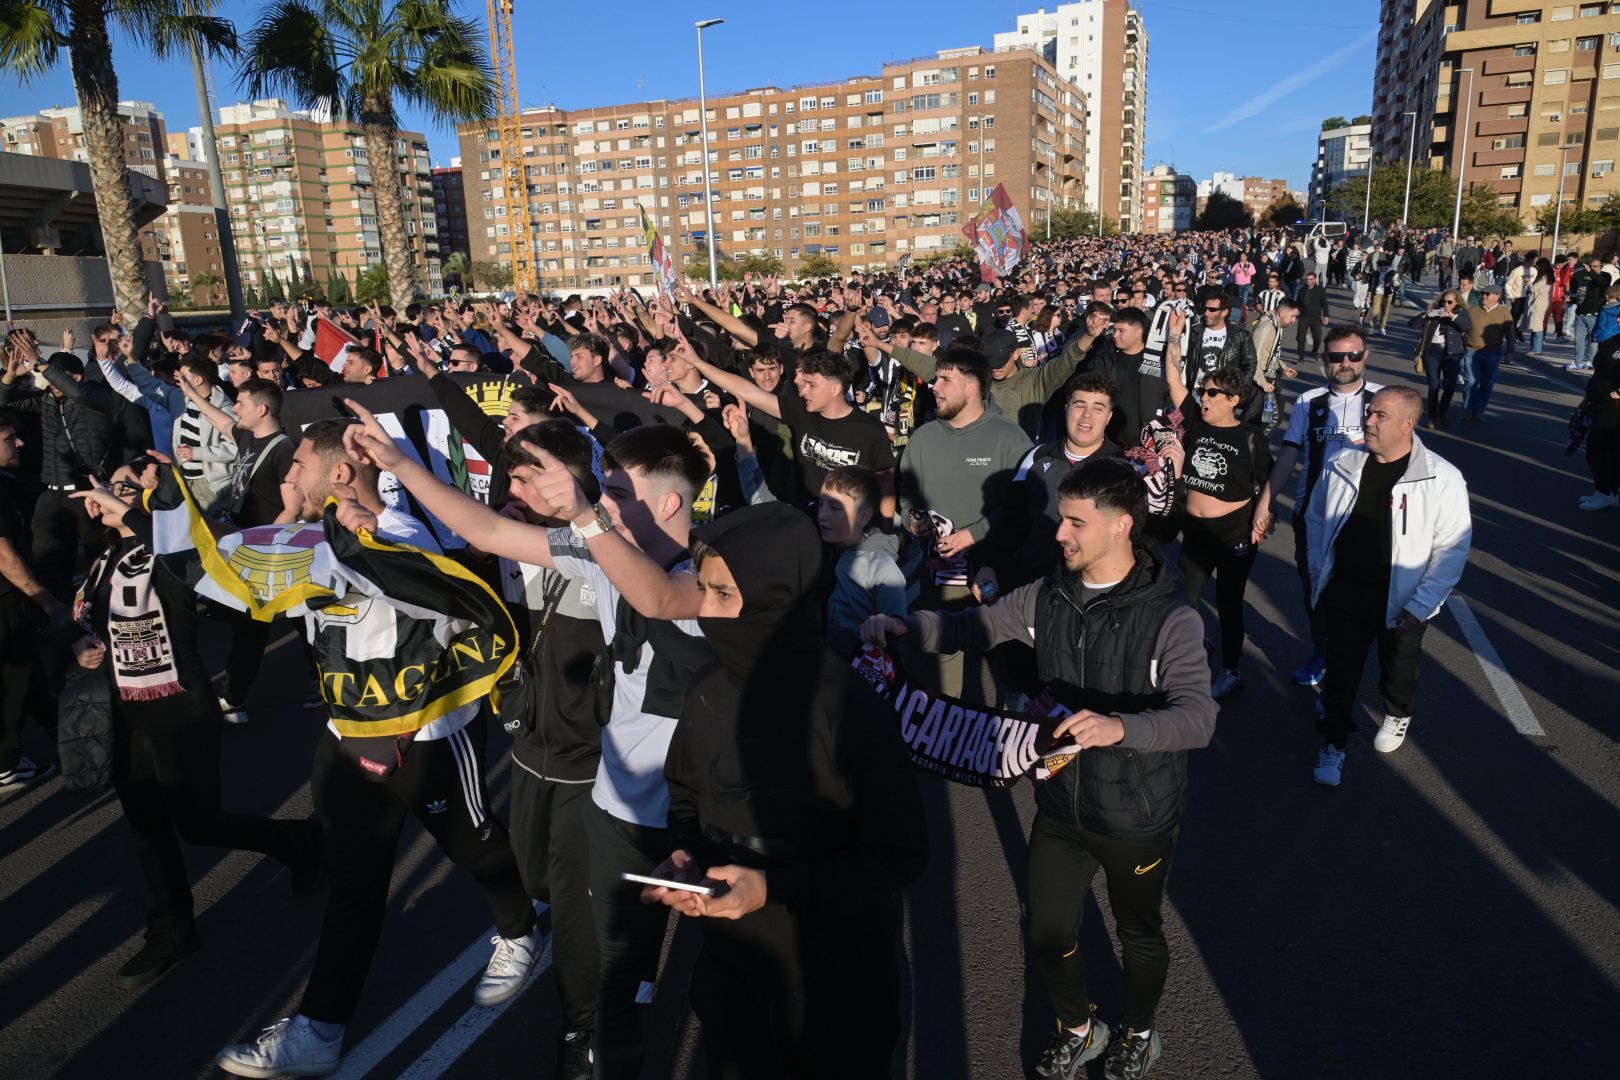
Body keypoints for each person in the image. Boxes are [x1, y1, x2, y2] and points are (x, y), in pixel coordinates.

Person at [354, 416, 714, 1080]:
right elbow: (489, 531)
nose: (605, 504)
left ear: (670, 504)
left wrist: (584, 514)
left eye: (618, 493)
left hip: (685, 823)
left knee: (662, 983)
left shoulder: (714, 581)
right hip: (611, 807)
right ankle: (580, 1049)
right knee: (585, 970)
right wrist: (400, 468)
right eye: (603, 492)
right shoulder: (598, 547)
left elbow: (661, 599)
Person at [862, 457, 1217, 1080]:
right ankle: (1080, 1028)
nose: (1059, 533)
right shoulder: (1049, 593)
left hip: (1137, 814)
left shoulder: (1172, 616)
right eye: (1061, 519)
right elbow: (977, 626)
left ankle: (1139, 1031)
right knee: (1049, 930)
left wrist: (1120, 728)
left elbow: (1197, 717)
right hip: (1060, 805)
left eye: (1076, 522)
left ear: (1121, 527)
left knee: (1139, 933)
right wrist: (909, 626)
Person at [211, 418, 540, 1078]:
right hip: (346, 736)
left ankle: (520, 929)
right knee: (355, 883)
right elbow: (243, 586)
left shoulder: (399, 535)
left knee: (476, 845)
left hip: (426, 738)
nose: (288, 474)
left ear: (339, 473)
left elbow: (429, 594)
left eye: (298, 464)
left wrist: (353, 540)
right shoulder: (311, 538)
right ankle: (320, 1030)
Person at [648, 502, 928, 1078]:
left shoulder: (847, 708)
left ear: (776, 598)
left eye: (723, 594)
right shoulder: (706, 689)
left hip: (835, 987)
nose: (703, 607)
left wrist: (771, 887)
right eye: (703, 589)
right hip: (732, 977)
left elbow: (899, 855)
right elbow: (685, 795)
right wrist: (685, 854)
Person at [67, 463, 322, 987]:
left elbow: (183, 556)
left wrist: (134, 509)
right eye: (105, 487)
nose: (105, 496)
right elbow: (87, 622)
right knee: (146, 826)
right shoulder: (103, 559)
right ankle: (172, 930)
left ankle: (299, 843)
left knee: (199, 824)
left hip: (180, 709)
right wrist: (80, 645)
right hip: (124, 710)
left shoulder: (174, 558)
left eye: (122, 486)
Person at [1306, 387, 1471, 786]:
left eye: (1380, 415)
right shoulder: (1344, 462)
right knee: (1342, 671)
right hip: (1346, 591)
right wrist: (1318, 576)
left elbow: (1452, 548)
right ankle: (1335, 743)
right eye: (1369, 413)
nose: (1369, 421)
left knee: (1398, 669)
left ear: (1407, 424)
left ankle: (1398, 714)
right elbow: (1316, 519)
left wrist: (1422, 603)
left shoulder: (1442, 478)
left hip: (1403, 601)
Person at [897, 349, 1032, 701]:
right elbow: (908, 491)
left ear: (972, 388)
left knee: (993, 675)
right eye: (936, 378)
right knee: (943, 675)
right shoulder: (923, 438)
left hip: (994, 580)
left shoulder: (1010, 438)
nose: (934, 387)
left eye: (945, 380)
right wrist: (913, 519)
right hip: (937, 582)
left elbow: (1023, 507)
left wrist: (974, 534)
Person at [1265, 326, 1385, 688]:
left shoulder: (1384, 399)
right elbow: (1288, 455)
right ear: (1324, 361)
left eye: (1353, 355)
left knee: (1358, 592)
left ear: (1366, 356)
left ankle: (1349, 656)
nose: (1345, 363)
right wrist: (1266, 503)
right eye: (1336, 357)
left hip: (1365, 517)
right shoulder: (1308, 401)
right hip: (1312, 516)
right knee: (1314, 589)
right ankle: (1321, 650)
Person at [174, 376, 295, 724]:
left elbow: (292, 507)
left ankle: (234, 697)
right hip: (241, 540)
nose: (234, 408)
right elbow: (220, 419)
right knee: (251, 621)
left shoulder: (283, 449)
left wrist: (259, 544)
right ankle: (237, 695)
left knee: (253, 626)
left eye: (240, 403)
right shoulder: (246, 435)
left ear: (262, 409)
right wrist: (193, 395)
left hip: (262, 549)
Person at [1163, 319, 1273, 701]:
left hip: (1234, 534)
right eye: (1203, 391)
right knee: (1185, 599)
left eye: (1212, 393)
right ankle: (1191, 656)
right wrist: (1175, 334)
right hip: (1195, 532)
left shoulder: (1250, 437)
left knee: (1228, 604)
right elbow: (1174, 379)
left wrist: (1265, 512)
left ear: (1234, 399)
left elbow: (1270, 480)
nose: (1204, 398)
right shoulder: (1195, 422)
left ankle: (1230, 669)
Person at [0, 340, 121, 600]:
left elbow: (77, 393)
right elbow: (5, 401)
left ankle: (105, 612)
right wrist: (10, 376)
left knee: (100, 561)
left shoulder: (95, 396)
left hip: (87, 493)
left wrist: (42, 364)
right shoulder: (46, 401)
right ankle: (60, 620)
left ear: (76, 376)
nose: (50, 382)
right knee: (48, 561)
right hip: (51, 495)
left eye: (55, 375)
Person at [0, 411, 62, 791]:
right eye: (9, 438)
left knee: (27, 672)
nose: (19, 442)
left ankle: (55, 719)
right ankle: (5, 763)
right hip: (5, 599)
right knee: (12, 675)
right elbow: (5, 558)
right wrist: (48, 602)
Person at [1013, 372, 1123, 582]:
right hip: (1031, 586)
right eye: (1080, 405)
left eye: (1098, 408)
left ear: (1109, 417)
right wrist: (990, 565)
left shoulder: (1123, 467)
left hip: (1090, 596)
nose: (1087, 415)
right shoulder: (1035, 456)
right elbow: (1011, 520)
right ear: (1066, 409)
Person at [818, 464, 911, 656]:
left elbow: (898, 624)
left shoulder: (881, 566)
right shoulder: (828, 544)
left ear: (864, 516)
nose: (822, 515)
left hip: (857, 670)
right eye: (821, 504)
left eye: (835, 508)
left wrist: (887, 623)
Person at [1408, 290, 1473, 429]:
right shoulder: (1435, 312)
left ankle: (1443, 411)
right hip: (1432, 352)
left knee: (1450, 385)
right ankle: (1432, 417)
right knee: (1434, 386)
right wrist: (1426, 314)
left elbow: (1467, 326)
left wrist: (1452, 316)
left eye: (1450, 302)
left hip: (1452, 354)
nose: (1446, 304)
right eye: (1444, 301)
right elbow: (1412, 325)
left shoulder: (1461, 313)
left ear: (1457, 302)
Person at [1577, 331, 1620, 511]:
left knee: (1599, 450)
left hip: (1614, 406)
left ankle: (1605, 493)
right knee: (1606, 450)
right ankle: (1608, 492)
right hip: (1598, 400)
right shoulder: (1615, 339)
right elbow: (1600, 367)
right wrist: (1587, 397)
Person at [1460, 285, 1514, 423]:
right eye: (1483, 293)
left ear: (1497, 296)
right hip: (1471, 352)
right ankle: (1467, 409)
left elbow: (1510, 334)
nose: (1483, 296)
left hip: (1492, 353)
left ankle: (1478, 411)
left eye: (1487, 294)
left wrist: (1510, 352)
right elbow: (1461, 329)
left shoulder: (1504, 313)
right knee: (1472, 381)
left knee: (1487, 384)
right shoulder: (1472, 310)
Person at [1293, 272, 1329, 365]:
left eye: (1310, 279)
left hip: (1315, 317)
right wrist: (1295, 313)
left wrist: (1326, 315)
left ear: (1315, 280)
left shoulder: (1320, 290)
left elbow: (1324, 303)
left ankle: (1314, 351)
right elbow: (1297, 303)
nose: (1308, 281)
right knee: (1300, 338)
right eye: (1307, 279)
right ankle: (1301, 358)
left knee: (1318, 337)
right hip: (1303, 318)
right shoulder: (1302, 290)